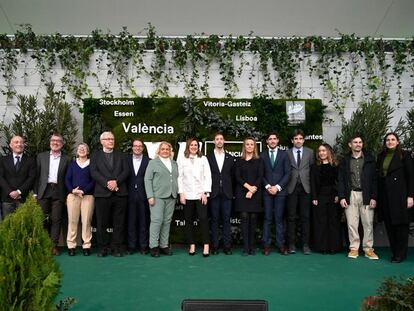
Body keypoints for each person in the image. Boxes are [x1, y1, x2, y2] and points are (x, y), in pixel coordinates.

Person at [338, 134, 378, 260]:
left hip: (366, 195)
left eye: (360, 142)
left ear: (362, 144)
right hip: (351, 194)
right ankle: (354, 249)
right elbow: (341, 180)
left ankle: (368, 249)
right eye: (355, 142)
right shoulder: (345, 160)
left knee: (368, 223)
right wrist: (342, 197)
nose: (358, 144)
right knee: (352, 223)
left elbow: (374, 180)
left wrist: (374, 197)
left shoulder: (370, 160)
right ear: (350, 145)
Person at [90, 131, 129, 257]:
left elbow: (126, 171)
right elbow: (94, 172)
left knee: (119, 223)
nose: (111, 141)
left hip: (120, 194)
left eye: (112, 139)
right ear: (101, 141)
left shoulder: (121, 155)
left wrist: (116, 182)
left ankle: (116, 247)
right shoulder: (95, 155)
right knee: (102, 223)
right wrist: (107, 183)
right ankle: (103, 248)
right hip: (102, 194)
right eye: (107, 139)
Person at [376, 132, 413, 263]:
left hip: (400, 196)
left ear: (397, 142)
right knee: (390, 225)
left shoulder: (405, 155)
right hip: (385, 196)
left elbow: (411, 177)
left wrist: (410, 196)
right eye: (387, 140)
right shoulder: (381, 156)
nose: (390, 142)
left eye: (393, 139)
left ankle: (400, 254)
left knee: (401, 226)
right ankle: (395, 252)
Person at [35, 133, 70, 256]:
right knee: (42, 219)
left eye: (58, 141)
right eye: (53, 140)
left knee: (56, 219)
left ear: (62, 144)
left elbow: (67, 178)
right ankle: (43, 245)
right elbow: (37, 176)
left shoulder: (67, 158)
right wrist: (35, 194)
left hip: (59, 191)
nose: (55, 143)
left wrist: (66, 195)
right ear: (50, 142)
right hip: (44, 190)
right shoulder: (41, 156)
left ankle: (53, 246)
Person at [178, 138, 212, 257]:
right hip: (187, 195)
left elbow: (208, 176)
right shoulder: (182, 159)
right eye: (191, 145)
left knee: (203, 219)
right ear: (188, 146)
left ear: (198, 147)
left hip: (200, 195)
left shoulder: (203, 159)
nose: (194, 147)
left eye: (196, 145)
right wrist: (181, 193)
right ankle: (192, 244)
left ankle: (206, 245)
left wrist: (205, 192)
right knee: (188, 221)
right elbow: (179, 177)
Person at [144, 141, 178, 257]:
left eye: (167, 149)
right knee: (156, 221)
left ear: (170, 151)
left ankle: (164, 245)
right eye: (162, 149)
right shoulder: (153, 163)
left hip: (171, 196)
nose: (165, 151)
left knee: (167, 221)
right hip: (157, 196)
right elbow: (147, 180)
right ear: (159, 151)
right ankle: (153, 246)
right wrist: (150, 196)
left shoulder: (174, 163)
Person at [261, 131, 291, 256]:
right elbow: (260, 174)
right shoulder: (262, 155)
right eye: (270, 139)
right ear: (267, 141)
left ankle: (281, 245)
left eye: (274, 139)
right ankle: (266, 246)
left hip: (280, 192)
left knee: (279, 219)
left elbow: (288, 173)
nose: (272, 141)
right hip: (267, 191)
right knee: (267, 219)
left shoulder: (284, 155)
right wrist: (268, 186)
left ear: (278, 141)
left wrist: (277, 187)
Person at [286, 129, 314, 255]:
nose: (298, 141)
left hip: (305, 188)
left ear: (303, 140)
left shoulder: (310, 152)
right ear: (292, 140)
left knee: (305, 217)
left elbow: (313, 171)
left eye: (300, 138)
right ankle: (291, 244)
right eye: (296, 139)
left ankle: (305, 245)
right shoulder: (286, 153)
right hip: (291, 188)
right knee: (291, 217)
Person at [310, 143, 342, 254]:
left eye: (324, 150)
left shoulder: (336, 166)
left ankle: (333, 247)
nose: (321, 153)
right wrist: (314, 197)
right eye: (320, 151)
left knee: (333, 222)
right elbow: (312, 183)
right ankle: (322, 247)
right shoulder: (315, 166)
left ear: (328, 152)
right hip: (320, 196)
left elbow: (339, 182)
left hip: (333, 197)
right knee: (321, 222)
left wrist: (338, 195)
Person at [207, 131, 235, 255]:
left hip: (227, 194)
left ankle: (227, 246)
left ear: (224, 141)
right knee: (214, 220)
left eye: (221, 139)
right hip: (213, 193)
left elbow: (233, 176)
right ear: (214, 141)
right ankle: (215, 246)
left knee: (226, 220)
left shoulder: (230, 157)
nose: (219, 141)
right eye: (217, 139)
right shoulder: (208, 157)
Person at [234, 137, 264, 256]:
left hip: (255, 193)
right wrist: (248, 187)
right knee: (244, 218)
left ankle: (252, 247)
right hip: (242, 193)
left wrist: (252, 190)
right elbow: (237, 177)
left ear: (254, 147)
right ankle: (245, 247)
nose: (250, 146)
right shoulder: (239, 161)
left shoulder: (259, 161)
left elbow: (260, 177)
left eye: (252, 144)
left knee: (253, 219)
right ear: (244, 146)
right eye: (247, 144)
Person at [64, 143, 95, 256]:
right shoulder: (72, 164)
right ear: (77, 151)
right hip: (73, 196)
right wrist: (73, 191)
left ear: (87, 151)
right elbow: (67, 179)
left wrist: (84, 191)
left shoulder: (92, 164)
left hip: (87, 196)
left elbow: (94, 180)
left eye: (84, 148)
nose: (82, 150)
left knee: (86, 221)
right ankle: (71, 245)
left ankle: (86, 245)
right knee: (72, 221)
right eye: (80, 148)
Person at [0, 135, 36, 218]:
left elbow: (31, 178)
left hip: (23, 198)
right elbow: (1, 177)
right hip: (7, 198)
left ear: (24, 145)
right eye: (16, 142)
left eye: (21, 142)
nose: (19, 144)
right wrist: (10, 192)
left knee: (23, 226)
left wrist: (19, 191)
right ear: (11, 145)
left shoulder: (30, 160)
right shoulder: (3, 160)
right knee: (7, 224)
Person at [127, 139, 150, 255]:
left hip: (144, 195)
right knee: (131, 221)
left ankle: (143, 246)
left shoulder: (148, 161)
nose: (137, 148)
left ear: (143, 148)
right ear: (132, 147)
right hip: (129, 195)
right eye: (135, 146)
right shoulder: (125, 160)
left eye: (140, 146)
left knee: (144, 222)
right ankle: (131, 246)